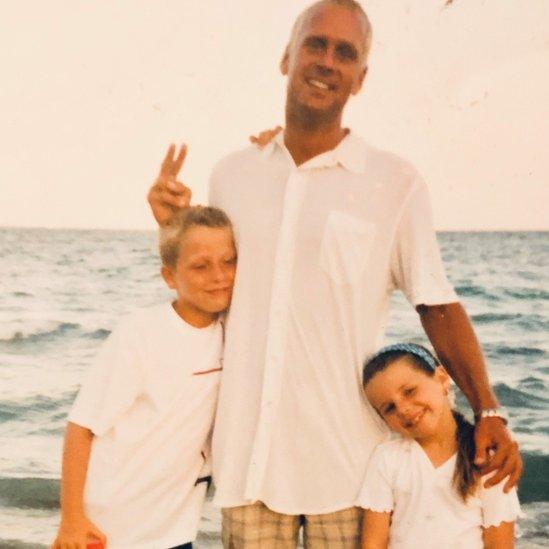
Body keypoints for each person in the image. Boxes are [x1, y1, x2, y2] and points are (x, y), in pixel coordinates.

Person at [147, 1, 521, 546]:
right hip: (249, 464)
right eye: (315, 44)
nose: (327, 60)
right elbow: (212, 294)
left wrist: (487, 408)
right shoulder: (232, 175)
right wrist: (172, 228)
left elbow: (436, 302)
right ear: (286, 57)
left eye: (345, 53)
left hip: (351, 469)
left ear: (361, 78)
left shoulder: (394, 182)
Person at [52, 199, 237, 548]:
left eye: (229, 262)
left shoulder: (235, 330)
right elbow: (81, 427)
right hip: (109, 527)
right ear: (170, 277)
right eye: (200, 267)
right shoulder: (140, 334)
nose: (219, 276)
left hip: (174, 530)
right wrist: (72, 518)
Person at [360, 343, 522, 549]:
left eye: (409, 391)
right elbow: (373, 543)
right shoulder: (387, 458)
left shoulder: (487, 458)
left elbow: (499, 545)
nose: (403, 409)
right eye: (389, 408)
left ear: (442, 378)